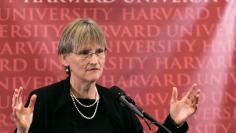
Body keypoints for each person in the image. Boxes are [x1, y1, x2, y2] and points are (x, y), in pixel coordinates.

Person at [12, 18, 200, 133]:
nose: (94, 60)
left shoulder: (118, 103)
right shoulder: (45, 101)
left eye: (99, 51)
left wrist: (173, 122)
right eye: (85, 52)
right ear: (64, 58)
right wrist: (22, 131)